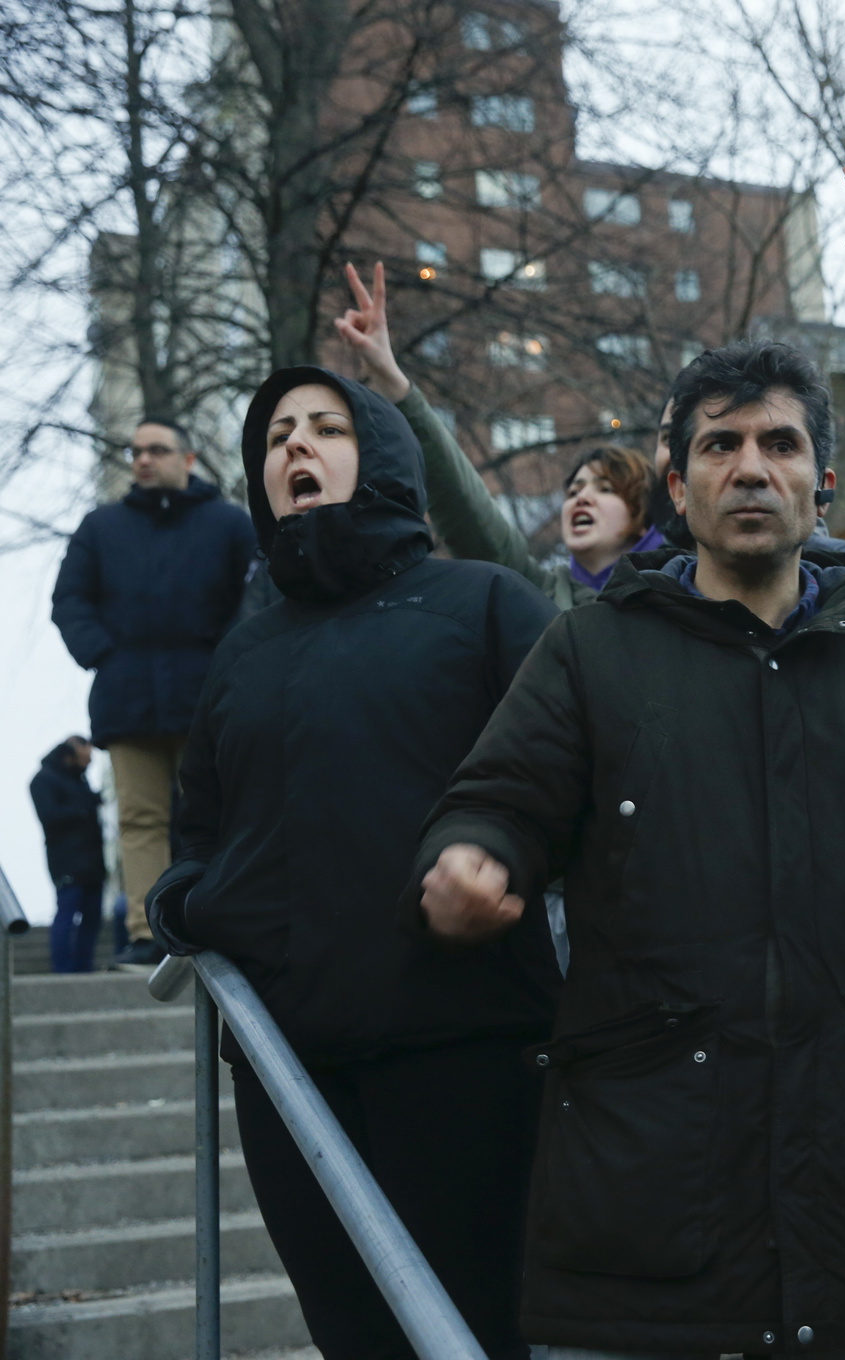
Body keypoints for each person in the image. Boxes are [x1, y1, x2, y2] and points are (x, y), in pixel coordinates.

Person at [403, 337, 845, 1358]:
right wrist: (475, 857)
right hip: (654, 1161)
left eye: (779, 443)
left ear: (819, 484)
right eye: (720, 444)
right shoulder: (592, 649)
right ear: (678, 486)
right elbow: (501, 798)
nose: (750, 466)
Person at [146, 366, 560, 1360]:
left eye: (326, 426)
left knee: (477, 1332)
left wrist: (501, 863)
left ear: (380, 454)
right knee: (354, 1338)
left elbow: (568, 771)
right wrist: (185, 902)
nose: (294, 445)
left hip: (462, 1045)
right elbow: (196, 828)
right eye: (277, 434)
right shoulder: (242, 653)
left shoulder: (487, 603)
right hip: (289, 1072)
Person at [332, 262, 664, 608]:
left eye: (606, 489)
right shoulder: (540, 594)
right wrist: (393, 382)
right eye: (574, 490)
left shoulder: (680, 592)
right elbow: (464, 508)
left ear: (643, 520)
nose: (580, 499)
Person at [51, 415, 256, 969]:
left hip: (207, 698)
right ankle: (146, 935)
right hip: (127, 698)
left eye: (157, 450)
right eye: (136, 450)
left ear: (187, 460)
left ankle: (214, 921)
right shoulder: (100, 527)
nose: (142, 459)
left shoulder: (230, 524)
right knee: (139, 820)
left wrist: (227, 663)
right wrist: (104, 654)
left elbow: (257, 592)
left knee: (214, 814)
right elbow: (69, 599)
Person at [30, 736, 105, 973]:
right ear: (70, 753)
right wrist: (85, 807)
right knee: (67, 914)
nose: (90, 760)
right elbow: (50, 817)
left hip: (93, 861)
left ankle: (84, 968)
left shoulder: (80, 780)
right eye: (86, 754)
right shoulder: (43, 779)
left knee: (93, 916)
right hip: (67, 862)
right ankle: (62, 970)